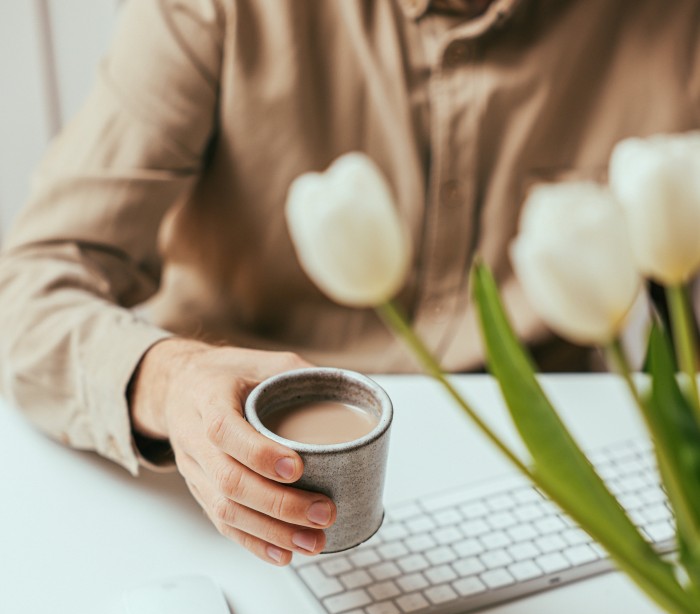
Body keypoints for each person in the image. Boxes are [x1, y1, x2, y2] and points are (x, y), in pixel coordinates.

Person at [0, 0, 698, 567]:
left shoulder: (674, 26)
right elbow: (28, 283)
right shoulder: (214, 12)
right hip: (228, 500)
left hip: (543, 500)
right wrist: (171, 380)